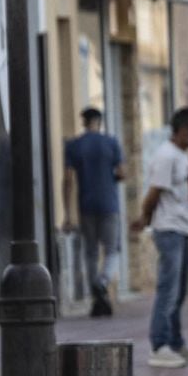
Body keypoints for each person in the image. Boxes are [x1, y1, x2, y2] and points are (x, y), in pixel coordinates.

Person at [132, 107, 188, 368]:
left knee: (180, 289)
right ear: (184, 131)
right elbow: (154, 193)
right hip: (169, 229)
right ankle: (159, 344)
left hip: (181, 228)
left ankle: (175, 342)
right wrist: (144, 219)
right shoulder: (166, 156)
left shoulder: (181, 156)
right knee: (168, 288)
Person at [63, 107, 125, 316]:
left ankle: (95, 297)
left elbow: (68, 180)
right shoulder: (111, 143)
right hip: (109, 204)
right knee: (112, 249)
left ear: (84, 122)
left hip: (86, 205)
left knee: (89, 252)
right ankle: (102, 281)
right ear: (99, 121)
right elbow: (122, 172)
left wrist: (67, 214)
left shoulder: (74, 146)